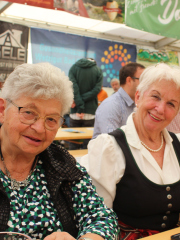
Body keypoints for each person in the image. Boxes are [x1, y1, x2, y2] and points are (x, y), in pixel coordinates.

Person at [80, 63, 180, 239]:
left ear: (177, 112)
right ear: (138, 96)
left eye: (171, 104)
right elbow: (98, 218)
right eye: (155, 97)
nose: (160, 108)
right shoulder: (109, 147)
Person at [0, 63, 118, 240]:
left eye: (51, 119)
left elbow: (102, 217)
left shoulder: (61, 163)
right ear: (2, 110)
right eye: (29, 112)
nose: (40, 128)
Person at [93, 63, 145, 138]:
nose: (146, 84)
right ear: (129, 80)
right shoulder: (110, 105)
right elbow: (113, 141)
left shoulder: (138, 103)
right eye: (142, 80)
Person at [68, 58, 103, 149]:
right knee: (87, 144)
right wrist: (82, 103)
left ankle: (71, 163)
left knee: (73, 143)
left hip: (75, 111)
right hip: (90, 112)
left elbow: (73, 87)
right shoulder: (98, 70)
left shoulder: (73, 68)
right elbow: (96, 90)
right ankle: (85, 163)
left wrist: (79, 104)